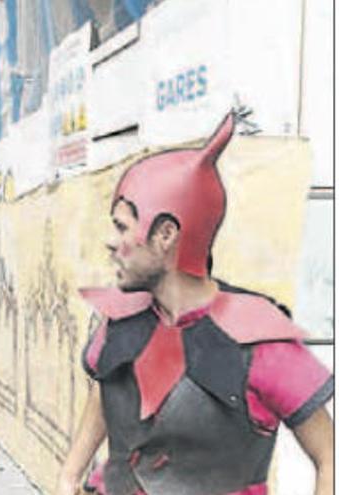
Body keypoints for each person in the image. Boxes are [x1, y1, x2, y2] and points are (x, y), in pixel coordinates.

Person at [57, 114, 334, 495]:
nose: (110, 242)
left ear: (166, 234)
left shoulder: (259, 339)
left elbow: (328, 457)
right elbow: (106, 390)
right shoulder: (121, 320)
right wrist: (70, 474)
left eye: (122, 227)